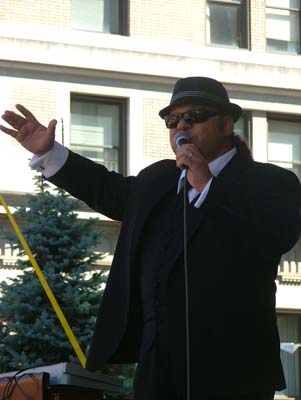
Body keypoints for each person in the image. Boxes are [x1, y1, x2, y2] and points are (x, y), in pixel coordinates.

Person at [1, 77, 301, 400]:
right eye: (172, 120)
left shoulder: (271, 183)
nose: (181, 125)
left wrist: (208, 185)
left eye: (194, 116)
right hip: (158, 370)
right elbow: (107, 189)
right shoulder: (158, 179)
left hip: (234, 373)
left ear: (226, 123)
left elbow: (272, 237)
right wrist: (49, 153)